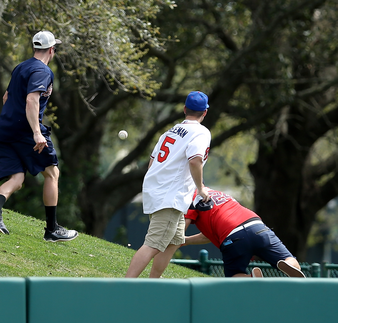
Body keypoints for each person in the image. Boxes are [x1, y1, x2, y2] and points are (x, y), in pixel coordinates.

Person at [0, 31, 78, 242]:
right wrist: (36, 132)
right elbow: (32, 101)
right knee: (52, 174)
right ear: (51, 50)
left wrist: (11, 120)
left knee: (17, 178)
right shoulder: (42, 71)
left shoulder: (21, 67)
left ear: (35, 47)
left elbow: (7, 97)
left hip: (3, 129)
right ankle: (52, 229)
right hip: (25, 132)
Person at [125, 91, 212, 278]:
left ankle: (154, 283)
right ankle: (125, 286)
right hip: (171, 196)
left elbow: (152, 161)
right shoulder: (201, 132)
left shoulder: (170, 131)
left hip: (158, 191)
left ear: (184, 109)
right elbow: (195, 160)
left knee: (173, 241)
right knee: (153, 244)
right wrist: (201, 188)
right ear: (204, 112)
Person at [152, 188, 306, 278]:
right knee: (288, 258)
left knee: (234, 276)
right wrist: (186, 240)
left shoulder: (190, 199)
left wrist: (165, 243)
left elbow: (179, 231)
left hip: (233, 236)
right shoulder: (216, 193)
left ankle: (250, 281)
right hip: (257, 226)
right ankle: (289, 265)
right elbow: (208, 235)